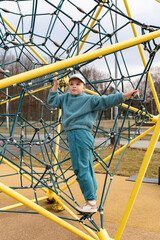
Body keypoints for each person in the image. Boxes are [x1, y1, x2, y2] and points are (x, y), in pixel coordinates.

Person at [47, 73, 138, 214]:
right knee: (87, 166)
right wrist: (55, 86)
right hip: (77, 135)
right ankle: (92, 198)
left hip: (80, 134)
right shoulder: (65, 98)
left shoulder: (88, 99)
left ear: (84, 87)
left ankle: (90, 202)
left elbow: (107, 101)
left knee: (80, 168)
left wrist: (124, 96)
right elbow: (52, 101)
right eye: (71, 84)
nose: (74, 86)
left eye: (78, 84)